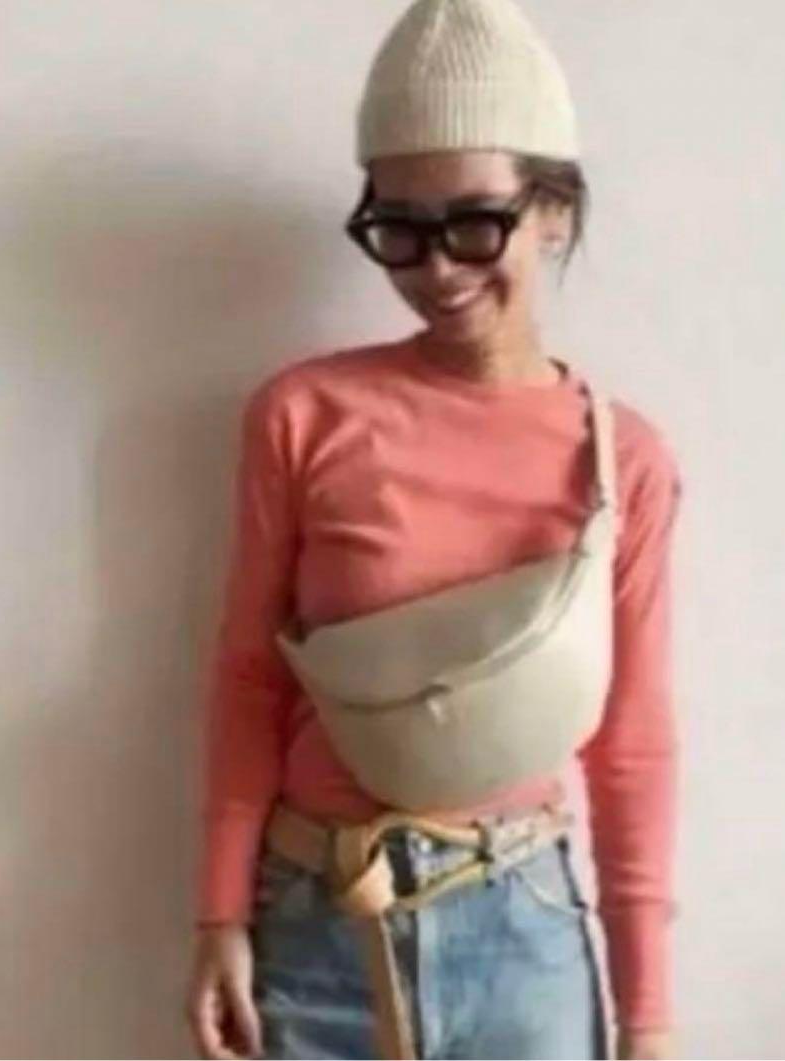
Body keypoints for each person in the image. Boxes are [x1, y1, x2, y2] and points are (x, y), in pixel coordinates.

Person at [185, 1, 683, 1058]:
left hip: (525, 930)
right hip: (319, 920)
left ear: (554, 210)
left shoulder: (621, 459)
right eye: (400, 229)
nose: (438, 269)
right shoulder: (303, 414)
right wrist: (220, 915)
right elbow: (250, 676)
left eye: (474, 222)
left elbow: (632, 739)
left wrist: (649, 1016)